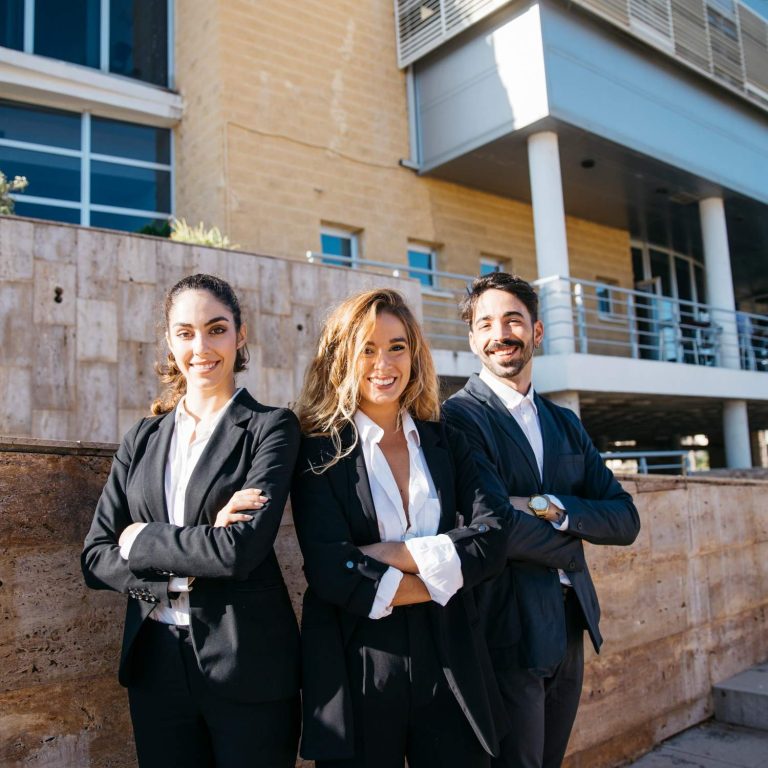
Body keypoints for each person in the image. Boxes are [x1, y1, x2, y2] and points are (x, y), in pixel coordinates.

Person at [291, 288, 584, 768]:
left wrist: (385, 553)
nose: (383, 362)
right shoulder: (318, 449)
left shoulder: (447, 436)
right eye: (366, 348)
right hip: (359, 657)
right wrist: (445, 573)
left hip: (453, 658)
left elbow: (492, 538)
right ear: (342, 356)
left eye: (397, 346)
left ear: (415, 354)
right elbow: (331, 569)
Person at [81, 273, 300, 768]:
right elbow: (95, 557)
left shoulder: (271, 427)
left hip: (248, 664)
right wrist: (196, 551)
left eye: (216, 329)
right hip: (155, 663)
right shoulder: (142, 437)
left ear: (240, 335)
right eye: (185, 332)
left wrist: (139, 538)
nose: (201, 346)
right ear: (169, 341)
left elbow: (240, 549)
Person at [442, 272, 641, 768]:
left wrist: (549, 507)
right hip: (506, 622)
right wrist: (574, 541)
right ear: (472, 340)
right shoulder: (460, 417)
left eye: (513, 319)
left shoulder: (565, 423)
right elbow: (489, 526)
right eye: (485, 323)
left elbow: (625, 518)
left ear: (536, 331)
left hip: (571, 621)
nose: (499, 333)